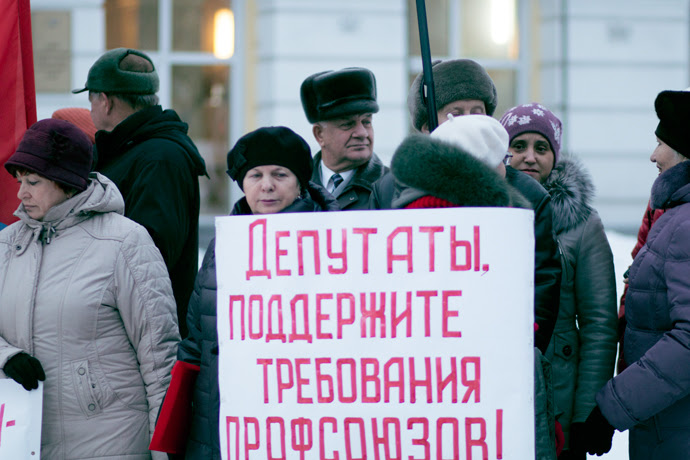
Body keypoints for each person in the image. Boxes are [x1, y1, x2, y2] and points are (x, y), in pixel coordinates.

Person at [0, 119, 179, 459]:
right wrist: (6, 356)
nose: (22, 193)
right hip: (22, 441)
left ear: (66, 182)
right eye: (20, 181)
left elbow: (159, 354)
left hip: (110, 441)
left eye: (33, 182)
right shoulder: (7, 245)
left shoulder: (125, 242)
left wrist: (164, 450)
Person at [390, 115, 558, 459]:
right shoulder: (485, 224)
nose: (506, 170)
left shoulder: (402, 215)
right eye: (501, 161)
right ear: (480, 170)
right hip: (478, 391)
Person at [374, 58, 562, 355]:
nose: (468, 121)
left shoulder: (527, 194)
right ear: (428, 127)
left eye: (477, 111)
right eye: (455, 114)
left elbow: (542, 283)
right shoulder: (388, 189)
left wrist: (521, 345)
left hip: (496, 350)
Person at [174, 126, 338, 458]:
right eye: (255, 175)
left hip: (301, 423)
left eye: (280, 174)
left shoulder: (333, 243)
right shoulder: (223, 245)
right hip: (223, 425)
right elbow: (197, 340)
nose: (267, 185)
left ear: (300, 182)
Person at [500, 103, 618, 459]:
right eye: (518, 146)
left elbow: (599, 324)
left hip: (559, 393)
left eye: (541, 147)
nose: (530, 157)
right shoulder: (484, 212)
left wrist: (586, 412)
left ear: (555, 154)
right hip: (498, 386)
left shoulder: (582, 224)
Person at [584, 90, 690, 459]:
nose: (653, 155)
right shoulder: (675, 216)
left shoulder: (685, 225)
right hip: (667, 424)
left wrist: (611, 409)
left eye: (661, 143)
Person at [73, 47, 208, 338]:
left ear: (105, 101)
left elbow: (151, 257)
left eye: (90, 100)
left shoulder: (160, 158)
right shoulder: (127, 150)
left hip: (146, 333)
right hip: (124, 325)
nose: (91, 109)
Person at [300, 67, 388, 209]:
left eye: (366, 122)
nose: (362, 133)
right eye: (347, 124)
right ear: (319, 134)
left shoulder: (395, 189)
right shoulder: (295, 189)